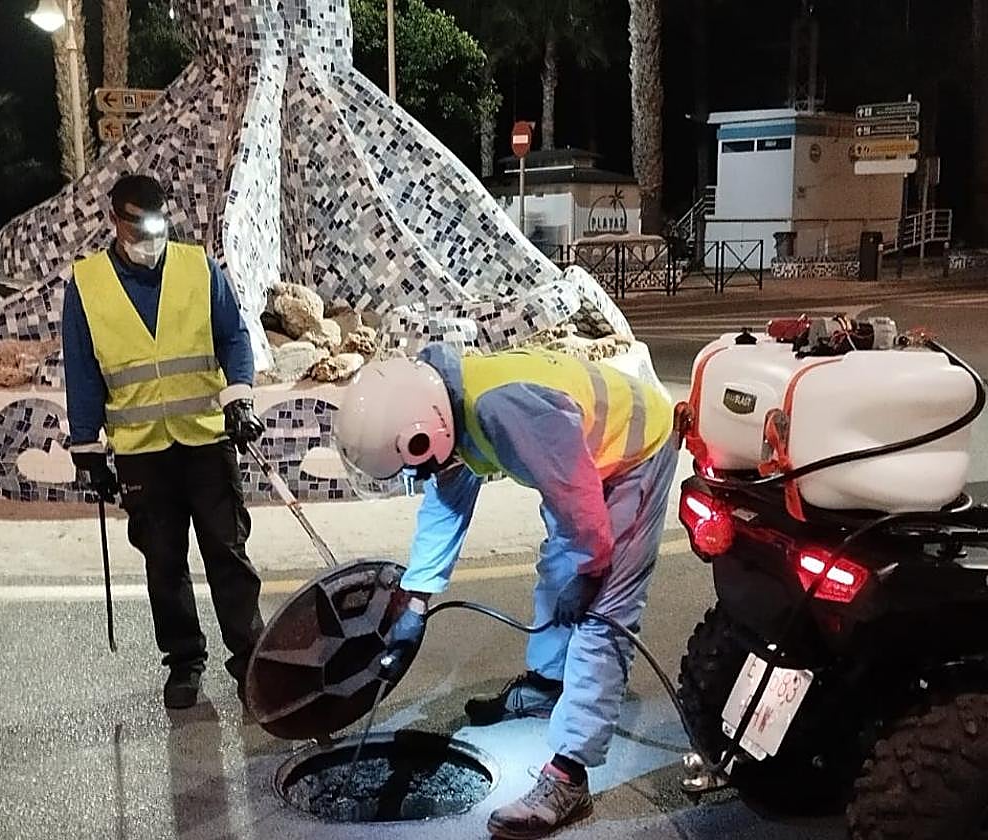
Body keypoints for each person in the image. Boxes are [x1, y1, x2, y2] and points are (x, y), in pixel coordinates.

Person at [334, 342, 678, 839]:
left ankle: (569, 776)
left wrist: (591, 572)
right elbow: (448, 499)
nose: (417, 476)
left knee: (603, 613)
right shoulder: (446, 404)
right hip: (579, 459)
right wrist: (417, 599)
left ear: (424, 434)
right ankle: (547, 688)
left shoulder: (506, 410)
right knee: (560, 571)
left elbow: (578, 502)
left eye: (414, 467)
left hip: (635, 452)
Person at [62, 174, 266, 710]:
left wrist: (239, 399)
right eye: (139, 230)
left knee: (228, 551)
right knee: (164, 561)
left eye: (158, 229)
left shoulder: (198, 267)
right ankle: (183, 661)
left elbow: (233, 336)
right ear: (114, 221)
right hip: (141, 452)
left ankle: (252, 660)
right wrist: (87, 449)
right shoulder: (87, 285)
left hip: (206, 439)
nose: (150, 241)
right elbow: (82, 369)